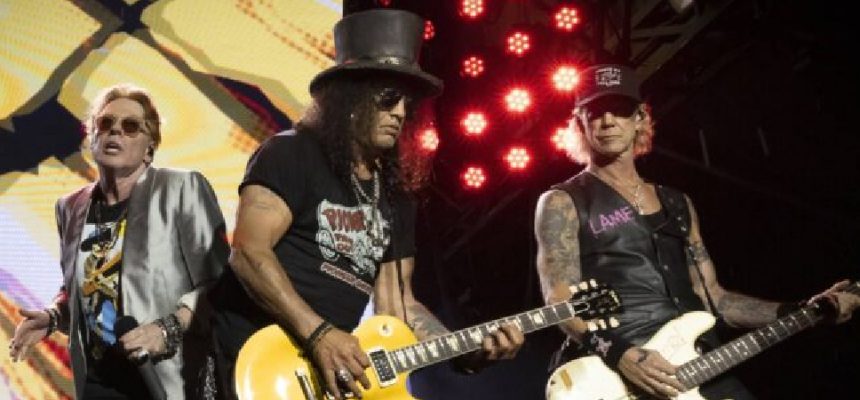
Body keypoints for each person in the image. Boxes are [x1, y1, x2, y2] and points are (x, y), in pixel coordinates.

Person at [209, 9, 524, 400]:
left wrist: (465, 349)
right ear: (350, 97)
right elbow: (248, 252)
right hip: (261, 358)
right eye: (389, 98)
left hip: (328, 373)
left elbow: (399, 307)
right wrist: (318, 334)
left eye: (408, 103)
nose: (400, 113)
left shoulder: (394, 196)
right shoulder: (291, 153)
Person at [534, 64, 854, 399]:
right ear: (580, 123)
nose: (608, 120)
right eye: (596, 112)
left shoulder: (677, 203)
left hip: (700, 365)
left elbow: (717, 300)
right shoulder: (562, 202)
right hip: (620, 375)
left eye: (620, 109)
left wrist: (802, 309)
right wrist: (621, 355)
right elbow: (560, 304)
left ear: (640, 118)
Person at [9, 83, 228, 399]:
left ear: (149, 147)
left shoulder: (180, 189)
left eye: (131, 126)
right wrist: (53, 316)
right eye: (105, 123)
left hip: (168, 377)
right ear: (92, 137)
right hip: (100, 380)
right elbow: (85, 291)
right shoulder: (70, 208)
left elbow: (220, 284)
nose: (115, 131)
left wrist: (168, 329)